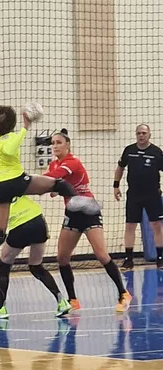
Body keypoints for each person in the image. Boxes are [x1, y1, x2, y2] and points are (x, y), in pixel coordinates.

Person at [0, 105, 98, 274]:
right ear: (12, 123)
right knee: (58, 184)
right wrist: (25, 126)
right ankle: (78, 202)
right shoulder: (9, 138)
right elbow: (10, 149)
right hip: (14, 181)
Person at [46, 130, 131, 313]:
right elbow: (52, 187)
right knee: (62, 257)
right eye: (53, 143)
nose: (55, 146)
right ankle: (73, 300)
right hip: (72, 212)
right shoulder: (54, 164)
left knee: (101, 255)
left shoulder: (72, 162)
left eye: (59, 142)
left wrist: (26, 182)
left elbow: (51, 178)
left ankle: (123, 293)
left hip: (88, 210)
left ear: (68, 145)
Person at [0, 186, 72, 318]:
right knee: (36, 266)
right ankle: (62, 301)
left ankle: (0, 308)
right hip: (38, 221)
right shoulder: (12, 181)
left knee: (4, 266)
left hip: (20, 226)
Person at [113, 124, 163, 270]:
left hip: (152, 195)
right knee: (130, 226)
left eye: (144, 133)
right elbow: (120, 168)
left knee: (156, 225)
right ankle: (129, 259)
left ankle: (160, 258)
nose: (141, 135)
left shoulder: (156, 152)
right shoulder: (129, 150)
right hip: (134, 195)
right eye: (138, 133)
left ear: (149, 135)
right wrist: (116, 185)